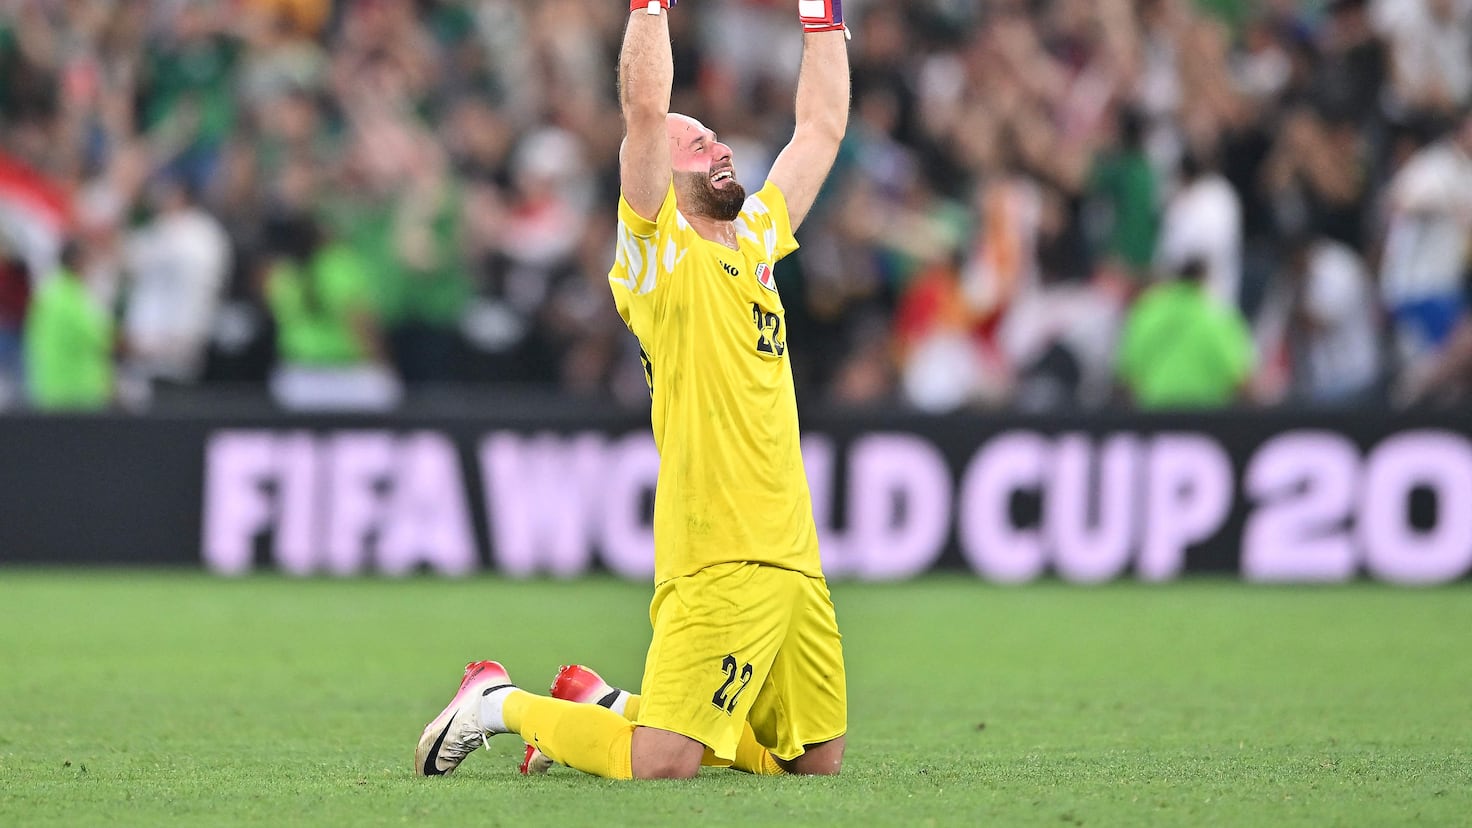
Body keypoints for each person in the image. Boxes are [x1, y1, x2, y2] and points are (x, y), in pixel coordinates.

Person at [414, 0, 851, 780]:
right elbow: (645, 110)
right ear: (663, 173)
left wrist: (822, 17)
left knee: (811, 766)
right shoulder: (658, 253)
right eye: (697, 143)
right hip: (718, 552)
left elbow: (819, 128)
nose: (719, 146)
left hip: (794, 551)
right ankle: (497, 704)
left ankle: (606, 704)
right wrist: (651, 9)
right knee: (661, 766)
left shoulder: (756, 237)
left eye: (716, 137)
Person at [1116, 258, 1256, 409]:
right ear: (1204, 280)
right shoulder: (1219, 316)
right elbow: (1237, 374)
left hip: (1154, 410)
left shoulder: (1146, 312)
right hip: (1206, 413)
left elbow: (1128, 371)